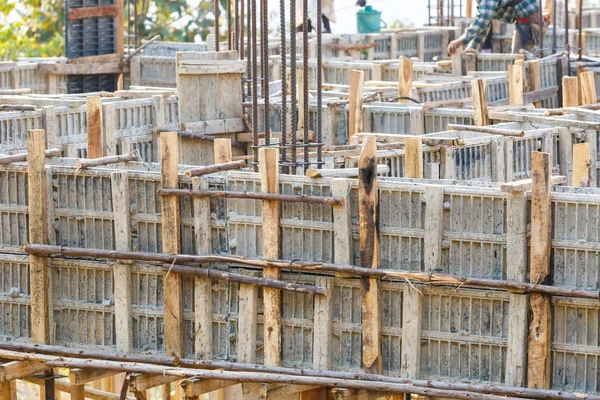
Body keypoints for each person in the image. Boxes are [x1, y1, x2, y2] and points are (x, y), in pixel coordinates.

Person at [447, 0, 545, 55]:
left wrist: (460, 41)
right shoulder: (484, 3)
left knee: (520, 61)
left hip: (528, 22)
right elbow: (484, 24)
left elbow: (482, 22)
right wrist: (471, 49)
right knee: (520, 59)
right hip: (525, 21)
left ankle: (524, 89)